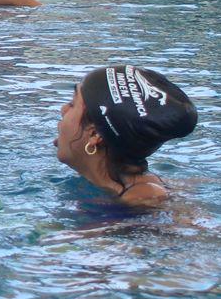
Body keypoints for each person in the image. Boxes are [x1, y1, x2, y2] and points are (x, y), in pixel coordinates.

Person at [55, 65, 198, 208]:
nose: (63, 110)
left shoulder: (143, 198)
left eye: (72, 104)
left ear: (94, 134)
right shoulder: (113, 188)